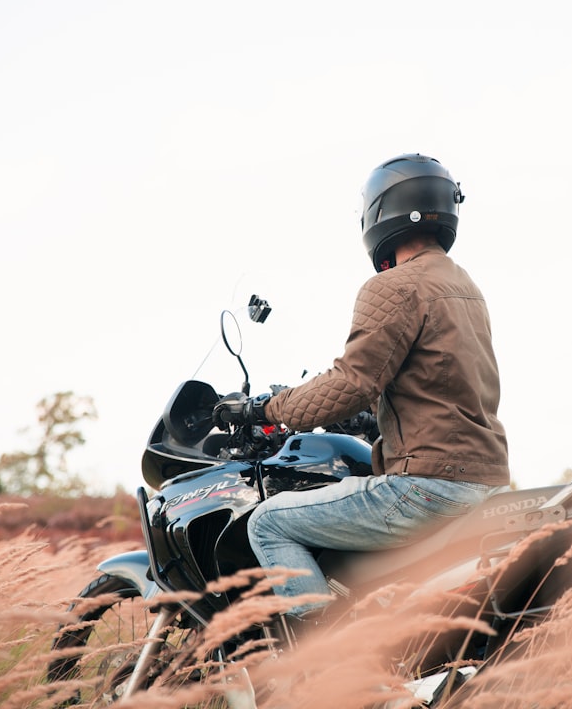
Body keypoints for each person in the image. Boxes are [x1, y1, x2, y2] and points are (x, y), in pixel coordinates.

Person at [213, 153, 510, 619]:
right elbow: (436, 380)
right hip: (482, 478)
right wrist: (375, 417)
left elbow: (351, 381)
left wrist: (264, 409)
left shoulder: (394, 285)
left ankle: (328, 671)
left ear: (379, 212)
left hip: (427, 486)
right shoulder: (464, 286)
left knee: (269, 523)